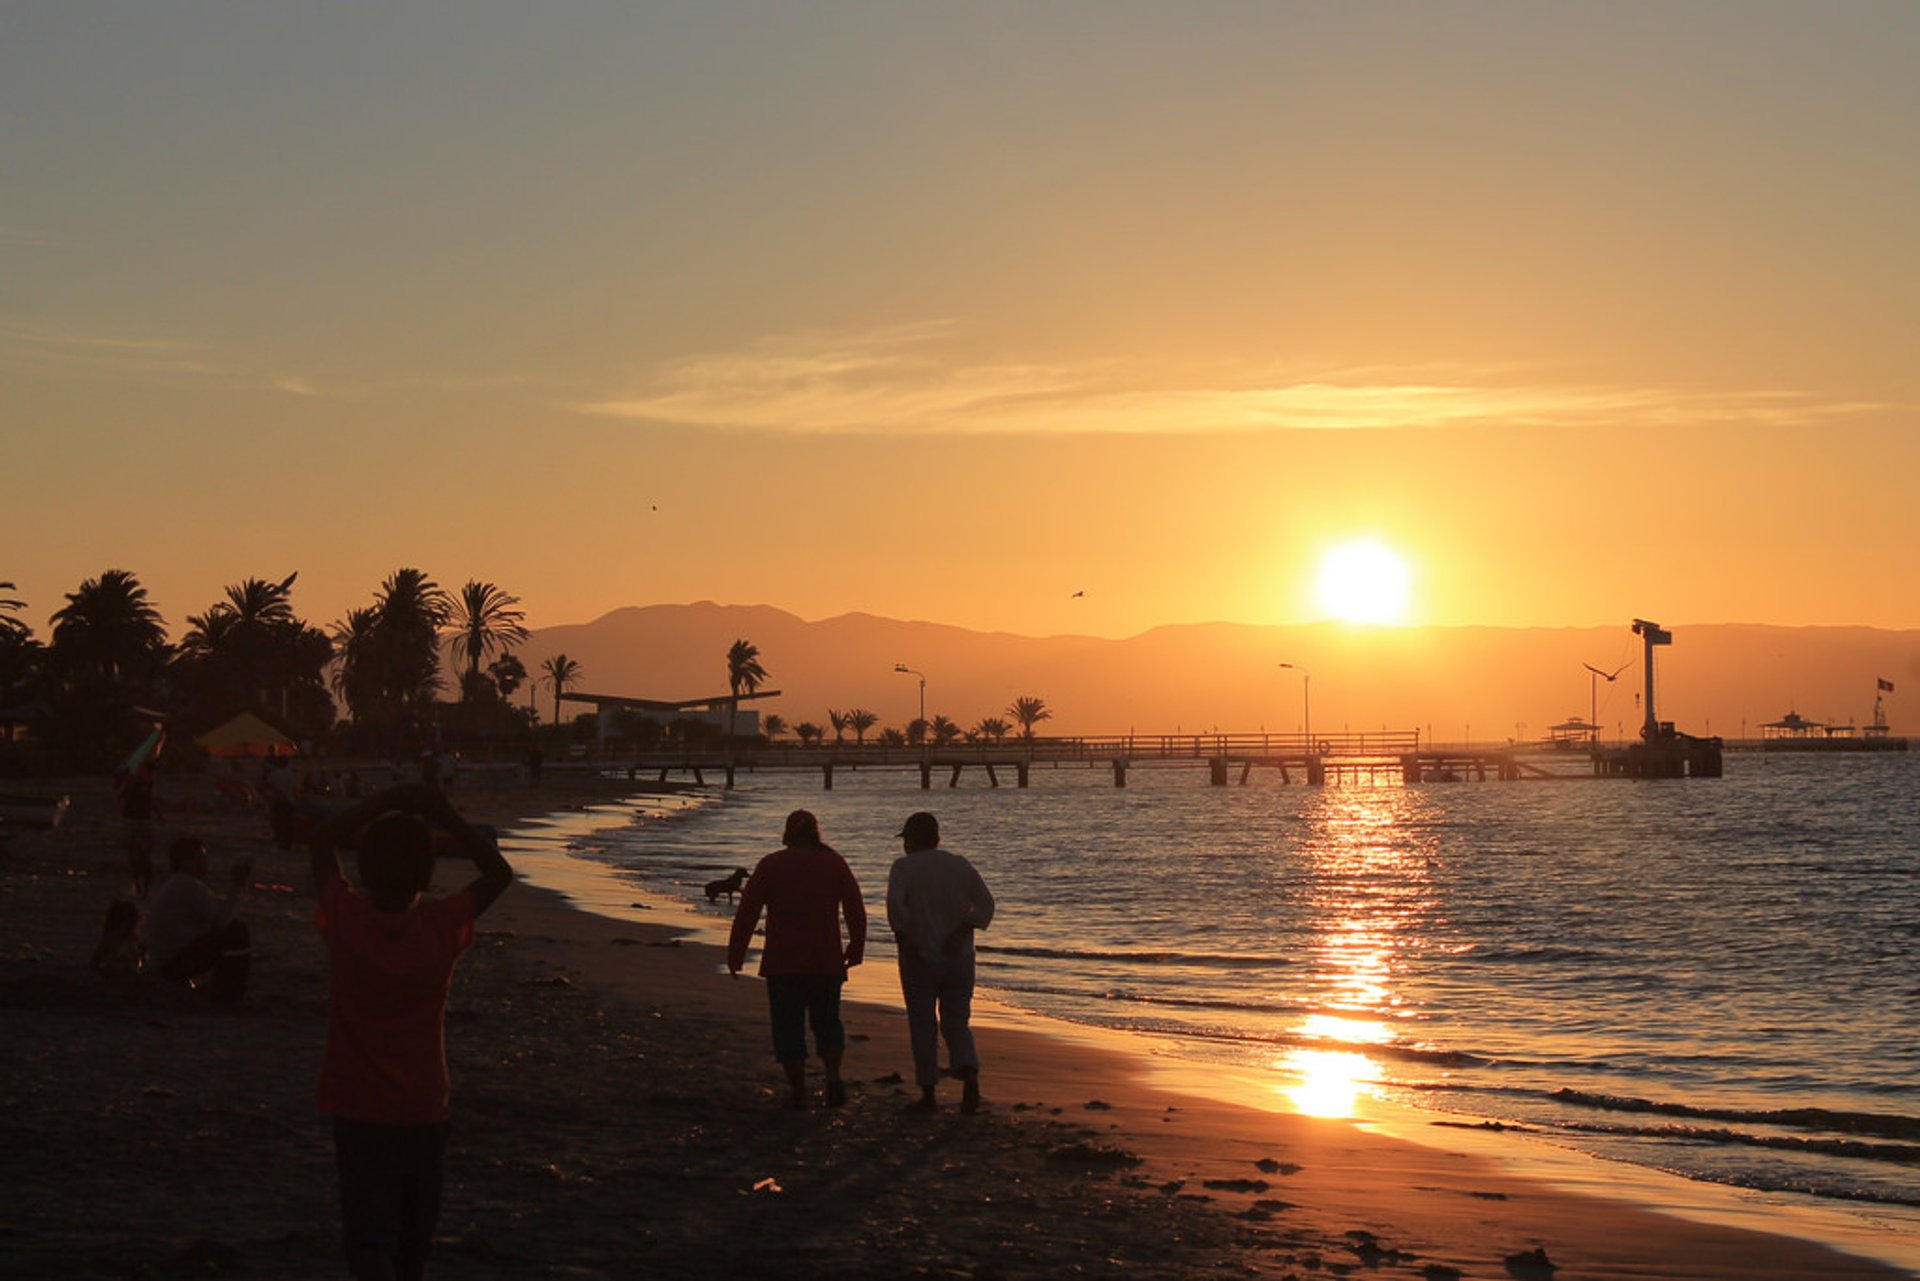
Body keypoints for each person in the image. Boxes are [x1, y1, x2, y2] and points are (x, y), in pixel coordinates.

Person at [308, 782, 513, 1281]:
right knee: (412, 1245)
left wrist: (383, 801)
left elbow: (321, 841)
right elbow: (498, 872)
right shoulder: (439, 926)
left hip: (357, 1103)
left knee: (368, 1238)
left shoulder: (347, 919)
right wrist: (442, 810)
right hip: (422, 1105)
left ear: (364, 872)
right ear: (427, 873)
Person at [726, 809, 867, 1109]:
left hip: (783, 962)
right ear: (816, 832)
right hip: (825, 960)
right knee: (828, 1023)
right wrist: (856, 947)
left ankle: (799, 1090)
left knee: (787, 1027)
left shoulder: (771, 865)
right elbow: (856, 907)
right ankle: (832, 1078)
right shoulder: (834, 863)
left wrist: (736, 952)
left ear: (788, 834)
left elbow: (747, 913)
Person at [886, 811, 995, 1113]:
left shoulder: (903, 868)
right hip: (958, 957)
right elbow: (986, 904)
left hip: (919, 957)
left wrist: (905, 939)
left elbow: (896, 907)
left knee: (922, 1023)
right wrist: (963, 929)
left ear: (910, 839)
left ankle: (929, 1093)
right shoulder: (959, 865)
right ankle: (969, 1080)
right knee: (956, 1022)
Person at [145, 835, 253, 1004]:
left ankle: (223, 990)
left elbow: (218, 912)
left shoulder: (178, 884)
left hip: (165, 959)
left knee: (232, 931)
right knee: (237, 932)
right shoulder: (187, 884)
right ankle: (228, 993)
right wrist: (237, 885)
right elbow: (223, 920)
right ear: (186, 862)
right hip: (173, 962)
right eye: (201, 858)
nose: (206, 863)